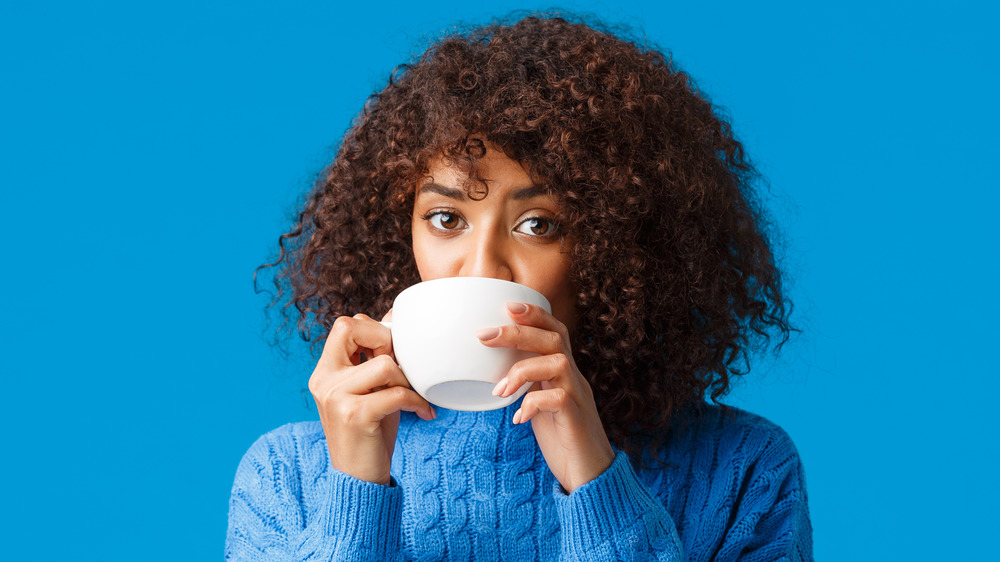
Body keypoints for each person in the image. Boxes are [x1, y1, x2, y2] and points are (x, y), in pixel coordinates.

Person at [226, 13, 813, 561]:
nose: (482, 266)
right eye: (446, 219)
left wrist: (596, 483)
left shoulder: (741, 471)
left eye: (539, 225)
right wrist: (353, 494)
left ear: (621, 248)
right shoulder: (292, 476)